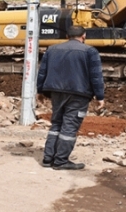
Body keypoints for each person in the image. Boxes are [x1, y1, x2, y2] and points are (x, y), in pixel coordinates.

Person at [37, 25, 105, 170]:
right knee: (69, 126)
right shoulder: (90, 51)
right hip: (79, 94)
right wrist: (100, 96)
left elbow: (42, 71)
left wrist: (40, 90)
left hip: (55, 92)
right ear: (84, 35)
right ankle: (61, 161)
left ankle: (48, 158)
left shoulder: (52, 49)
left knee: (56, 124)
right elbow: (96, 76)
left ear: (67, 35)